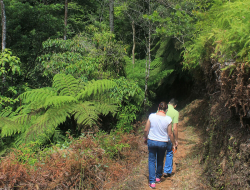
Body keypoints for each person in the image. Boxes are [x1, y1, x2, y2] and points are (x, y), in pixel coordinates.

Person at [144, 102, 175, 189]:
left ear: (158, 107)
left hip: (152, 141)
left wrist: (145, 138)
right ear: (166, 109)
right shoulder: (168, 119)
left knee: (151, 161)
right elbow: (170, 134)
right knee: (160, 160)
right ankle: (158, 177)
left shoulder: (151, 116)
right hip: (163, 143)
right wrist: (173, 144)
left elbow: (146, 129)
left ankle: (152, 182)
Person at [163, 98, 179, 177]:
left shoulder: (161, 108)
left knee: (160, 153)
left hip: (160, 134)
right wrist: (176, 140)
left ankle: (157, 171)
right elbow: (175, 128)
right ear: (175, 105)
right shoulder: (175, 112)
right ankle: (167, 171)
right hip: (169, 135)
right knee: (169, 152)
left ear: (169, 102)